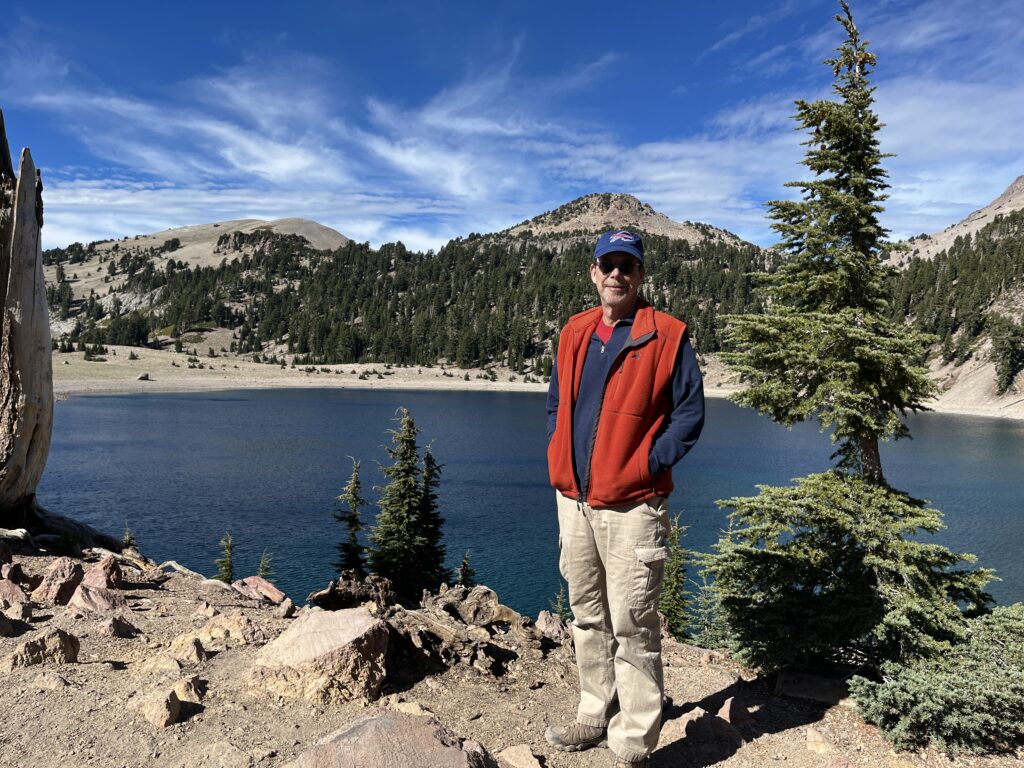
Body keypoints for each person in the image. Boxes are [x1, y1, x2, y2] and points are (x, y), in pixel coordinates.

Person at [544, 229, 705, 768]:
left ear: (640, 275)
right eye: (608, 265)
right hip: (575, 500)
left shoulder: (667, 335)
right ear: (594, 272)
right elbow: (556, 404)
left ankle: (634, 742)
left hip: (634, 505)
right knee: (587, 614)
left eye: (627, 266)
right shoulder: (575, 332)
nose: (617, 274)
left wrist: (645, 465)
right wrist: (556, 451)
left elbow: (689, 416)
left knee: (634, 623)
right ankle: (594, 713)